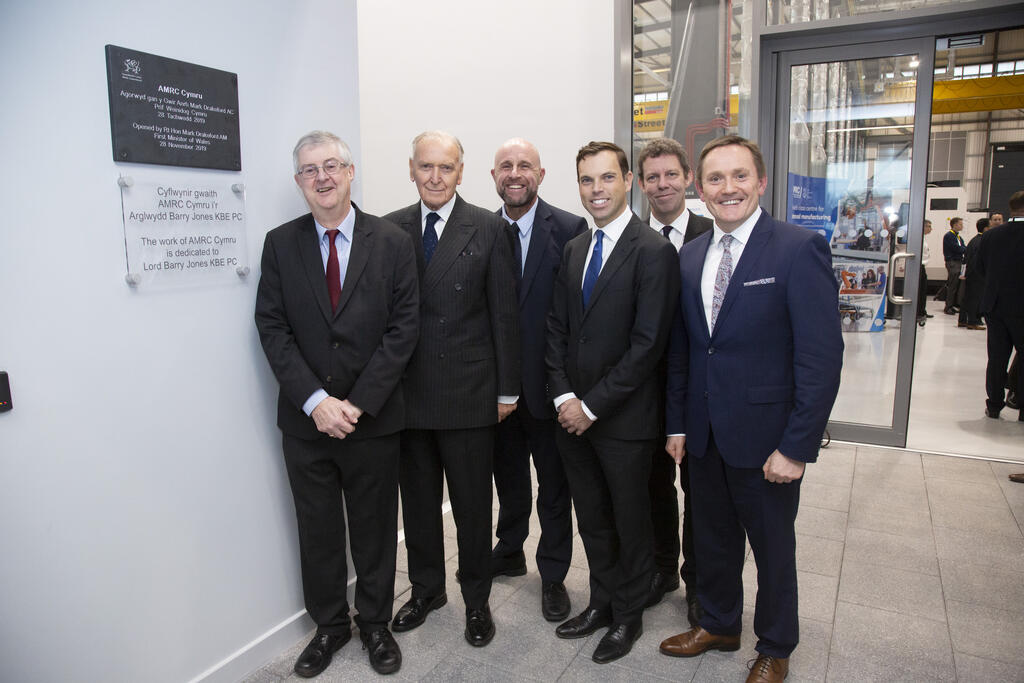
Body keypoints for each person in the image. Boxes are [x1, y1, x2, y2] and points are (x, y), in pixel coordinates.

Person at [660, 135, 843, 683]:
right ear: (700, 188)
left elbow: (820, 358)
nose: (728, 188)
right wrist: (677, 425)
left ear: (760, 182)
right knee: (711, 538)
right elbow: (687, 350)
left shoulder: (796, 247)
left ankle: (776, 645)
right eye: (715, 179)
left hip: (768, 440)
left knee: (772, 549)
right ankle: (718, 622)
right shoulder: (691, 256)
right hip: (704, 434)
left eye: (740, 176)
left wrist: (796, 446)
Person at [254, 130, 419, 677]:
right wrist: (317, 401)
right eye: (309, 170)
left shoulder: (392, 241)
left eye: (331, 165)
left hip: (371, 422)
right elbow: (272, 327)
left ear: (351, 172)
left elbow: (403, 328)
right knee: (317, 529)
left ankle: (374, 624)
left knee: (374, 528)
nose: (321, 177)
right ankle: (329, 626)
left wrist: (356, 404)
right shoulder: (280, 244)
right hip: (307, 425)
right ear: (299, 182)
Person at [384, 131, 520, 647]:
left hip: (469, 393)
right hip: (408, 397)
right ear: (412, 170)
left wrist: (508, 391)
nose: (435, 177)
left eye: (446, 168)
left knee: (470, 508)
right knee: (417, 505)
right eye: (426, 167)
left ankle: (477, 601)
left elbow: (504, 314)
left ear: (461, 172)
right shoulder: (390, 228)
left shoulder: (487, 227)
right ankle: (426, 590)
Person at [546, 141, 679, 663]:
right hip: (571, 416)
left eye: (605, 178)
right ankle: (601, 600)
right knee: (592, 518)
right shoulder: (576, 248)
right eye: (586, 180)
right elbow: (557, 329)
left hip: (622, 420)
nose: (596, 190)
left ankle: (627, 617)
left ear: (628, 181)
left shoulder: (652, 251)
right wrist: (563, 396)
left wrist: (591, 405)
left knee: (630, 521)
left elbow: (647, 345)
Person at [488, 138, 587, 620]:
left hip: (549, 390)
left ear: (541, 174)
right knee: (507, 481)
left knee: (554, 487)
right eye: (505, 166)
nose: (514, 173)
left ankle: (552, 575)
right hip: (497, 392)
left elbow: (570, 318)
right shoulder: (480, 230)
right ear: (493, 176)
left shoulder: (569, 230)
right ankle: (508, 551)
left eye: (524, 165)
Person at [635, 137, 712, 624]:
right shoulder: (632, 238)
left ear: (687, 177)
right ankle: (662, 569)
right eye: (652, 176)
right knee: (652, 489)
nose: (662, 184)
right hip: (644, 394)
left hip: (700, 392)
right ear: (640, 184)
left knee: (701, 494)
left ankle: (700, 582)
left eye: (670, 174)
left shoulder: (714, 232)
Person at [976, 189, 1024, 429]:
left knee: (996, 358)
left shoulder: (991, 236)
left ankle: (994, 405)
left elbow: (981, 268)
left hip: (995, 305)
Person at [958, 218, 988, 330]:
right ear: (986, 228)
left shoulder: (974, 240)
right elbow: (977, 260)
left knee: (967, 297)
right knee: (975, 298)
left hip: (970, 272)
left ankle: (962, 320)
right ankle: (972, 321)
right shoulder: (982, 241)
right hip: (976, 274)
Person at [941, 217, 966, 314]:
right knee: (952, 285)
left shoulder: (958, 236)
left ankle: (954, 304)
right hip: (952, 262)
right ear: (955, 225)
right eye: (960, 224)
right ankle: (948, 306)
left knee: (956, 285)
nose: (962, 226)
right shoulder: (949, 236)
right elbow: (957, 248)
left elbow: (963, 246)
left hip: (958, 261)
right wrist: (964, 249)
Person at [916, 219, 934, 324]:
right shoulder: (918, 239)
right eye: (929, 226)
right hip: (919, 266)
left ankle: (922, 310)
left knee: (923, 290)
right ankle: (919, 312)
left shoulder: (923, 239)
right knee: (920, 291)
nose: (930, 229)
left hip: (922, 266)